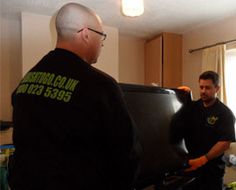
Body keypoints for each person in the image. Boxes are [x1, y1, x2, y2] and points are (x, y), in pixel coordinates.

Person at [8, 3, 141, 190]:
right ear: (85, 34)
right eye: (101, 35)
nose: (102, 42)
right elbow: (127, 154)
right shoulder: (102, 86)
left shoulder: (26, 82)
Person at [172, 71, 235, 190]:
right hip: (190, 169)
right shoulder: (194, 107)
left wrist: (202, 160)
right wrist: (183, 93)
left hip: (212, 172)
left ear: (217, 89)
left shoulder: (225, 113)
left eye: (207, 87)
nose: (203, 91)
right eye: (201, 87)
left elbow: (224, 143)